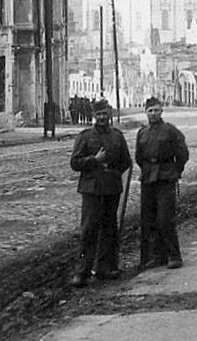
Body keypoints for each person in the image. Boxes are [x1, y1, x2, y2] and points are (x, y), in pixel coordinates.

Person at [68, 98, 133, 287]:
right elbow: (75, 163)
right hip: (91, 189)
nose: (102, 117)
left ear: (109, 114)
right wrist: (95, 161)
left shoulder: (117, 136)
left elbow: (125, 161)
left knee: (110, 228)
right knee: (88, 230)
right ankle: (83, 271)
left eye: (105, 113)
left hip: (111, 188)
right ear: (93, 116)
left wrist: (112, 172)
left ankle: (107, 267)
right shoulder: (85, 136)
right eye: (98, 114)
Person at [135, 96, 190, 269]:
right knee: (148, 219)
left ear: (162, 111)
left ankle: (174, 255)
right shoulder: (142, 133)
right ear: (145, 113)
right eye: (150, 111)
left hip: (166, 177)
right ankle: (155, 257)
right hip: (148, 178)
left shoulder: (170, 131)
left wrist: (176, 170)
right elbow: (139, 156)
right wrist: (147, 169)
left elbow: (182, 153)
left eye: (156, 110)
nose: (153, 114)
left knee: (165, 218)